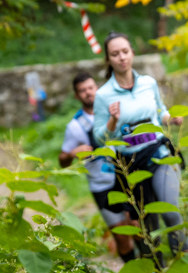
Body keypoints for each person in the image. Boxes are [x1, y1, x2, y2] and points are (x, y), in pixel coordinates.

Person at [93, 32, 188, 273]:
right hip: (130, 163)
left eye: (125, 52)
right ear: (108, 59)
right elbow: (99, 138)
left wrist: (171, 118)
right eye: (115, 54)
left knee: (170, 211)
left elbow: (159, 112)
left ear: (132, 53)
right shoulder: (103, 95)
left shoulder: (148, 83)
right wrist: (112, 120)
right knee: (148, 225)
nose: (121, 57)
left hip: (158, 152)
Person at [59, 71, 139, 263]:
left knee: (137, 227)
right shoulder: (75, 127)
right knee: (121, 236)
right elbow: (62, 160)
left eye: (90, 88)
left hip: (126, 177)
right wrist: (72, 153)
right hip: (101, 185)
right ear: (77, 96)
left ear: (97, 88)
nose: (88, 92)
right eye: (82, 90)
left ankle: (153, 272)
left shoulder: (115, 111)